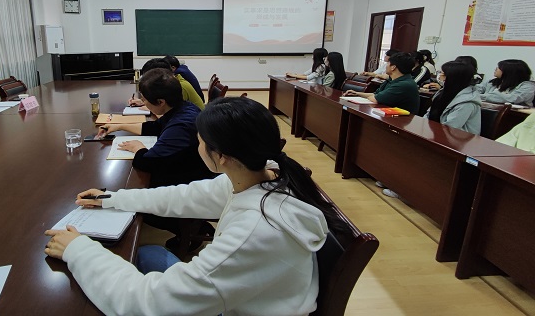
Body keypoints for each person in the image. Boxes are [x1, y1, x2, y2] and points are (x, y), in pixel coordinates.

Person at [46, 97, 348, 316]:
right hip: (250, 295)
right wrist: (113, 199)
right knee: (147, 254)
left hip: (242, 307)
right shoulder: (264, 174)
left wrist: (78, 250)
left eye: (200, 141)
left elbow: (147, 304)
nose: (197, 146)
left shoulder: (253, 233)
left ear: (223, 156)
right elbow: (182, 197)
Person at [98, 68, 215, 248]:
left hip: (191, 179)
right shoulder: (182, 108)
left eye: (145, 100)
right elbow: (155, 127)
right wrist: (118, 126)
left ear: (160, 102)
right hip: (187, 166)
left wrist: (138, 148)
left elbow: (147, 162)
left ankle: (192, 229)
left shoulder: (181, 124)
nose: (143, 103)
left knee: (139, 198)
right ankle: (192, 225)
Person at [343, 52, 420, 114]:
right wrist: (357, 93)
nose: (386, 66)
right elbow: (375, 94)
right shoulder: (391, 80)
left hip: (400, 121)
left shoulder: (404, 84)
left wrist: (375, 96)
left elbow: (375, 99)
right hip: (387, 115)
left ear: (393, 67)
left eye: (388, 63)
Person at [424, 61, 481, 134]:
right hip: (436, 133)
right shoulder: (443, 93)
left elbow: (450, 128)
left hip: (457, 139)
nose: (440, 76)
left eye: (443, 74)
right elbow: (428, 115)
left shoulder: (467, 102)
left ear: (453, 78)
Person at [129, 58, 204, 110]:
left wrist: (146, 106)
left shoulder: (179, 87)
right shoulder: (173, 81)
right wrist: (144, 102)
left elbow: (169, 110)